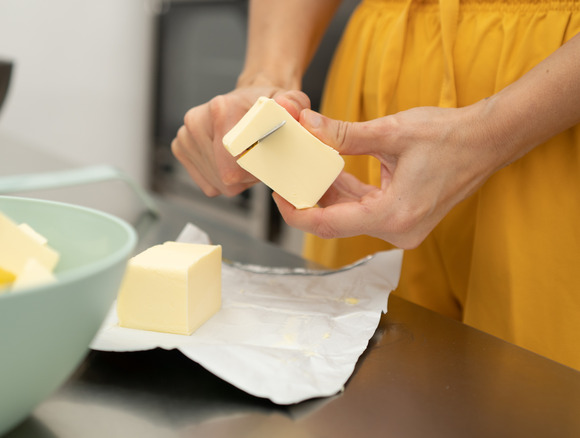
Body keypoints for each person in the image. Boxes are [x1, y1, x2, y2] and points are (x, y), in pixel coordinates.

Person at [171, 0, 580, 371]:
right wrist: (265, 79)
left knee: (531, 397)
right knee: (358, 389)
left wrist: (491, 131)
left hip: (551, 107)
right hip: (381, 95)